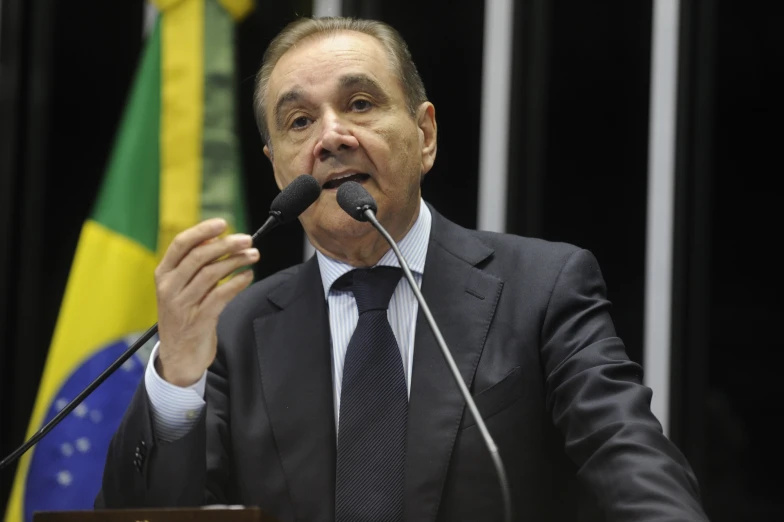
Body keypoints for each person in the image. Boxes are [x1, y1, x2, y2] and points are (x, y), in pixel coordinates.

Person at [97, 16, 709, 522]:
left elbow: (629, 460)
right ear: (279, 167)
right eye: (299, 121)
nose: (331, 136)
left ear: (425, 135)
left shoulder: (542, 288)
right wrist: (177, 373)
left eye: (360, 104)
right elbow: (146, 513)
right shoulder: (235, 329)